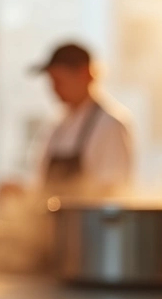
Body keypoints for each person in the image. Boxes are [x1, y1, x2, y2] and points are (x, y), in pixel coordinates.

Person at [29, 43, 133, 197]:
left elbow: (112, 192)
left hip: (88, 221)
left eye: (59, 80)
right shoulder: (57, 127)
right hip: (53, 221)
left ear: (85, 74)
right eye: (51, 81)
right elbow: (42, 187)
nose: (54, 88)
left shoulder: (109, 126)